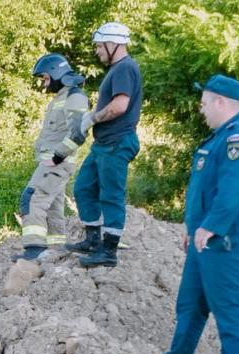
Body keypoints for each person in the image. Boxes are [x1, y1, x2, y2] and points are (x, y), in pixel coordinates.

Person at [160, 74, 239, 354]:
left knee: (229, 309)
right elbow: (204, 192)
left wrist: (210, 227)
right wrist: (193, 229)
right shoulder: (219, 139)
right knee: (190, 305)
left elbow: (232, 191)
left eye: (205, 103)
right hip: (204, 240)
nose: (201, 109)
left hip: (225, 242)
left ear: (221, 102)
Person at [66, 21, 143, 267]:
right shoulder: (118, 69)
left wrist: (92, 118)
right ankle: (92, 240)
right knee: (84, 188)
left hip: (116, 142)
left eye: (100, 46)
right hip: (104, 143)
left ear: (113, 44)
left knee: (111, 195)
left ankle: (108, 252)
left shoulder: (124, 69)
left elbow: (120, 105)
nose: (97, 50)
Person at [15, 53, 89, 261]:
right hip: (55, 163)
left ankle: (33, 249)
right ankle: (56, 249)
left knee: (31, 199)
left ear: (57, 74)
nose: (44, 85)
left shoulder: (75, 97)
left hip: (56, 163)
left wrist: (57, 157)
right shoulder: (62, 98)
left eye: (46, 78)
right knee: (54, 209)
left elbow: (79, 132)